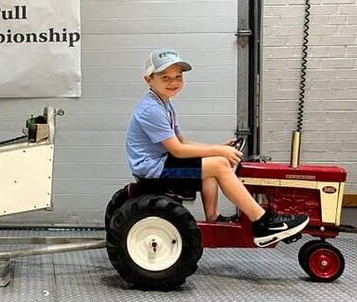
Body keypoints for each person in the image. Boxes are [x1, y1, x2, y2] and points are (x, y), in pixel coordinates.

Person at [125, 48, 309, 247]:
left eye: (178, 77)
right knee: (220, 165)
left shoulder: (164, 104)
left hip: (161, 161)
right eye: (165, 77)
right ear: (149, 80)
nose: (174, 82)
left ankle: (213, 217)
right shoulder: (152, 109)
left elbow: (182, 141)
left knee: (213, 164)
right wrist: (220, 152)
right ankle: (263, 222)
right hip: (152, 168)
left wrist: (217, 147)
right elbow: (177, 150)